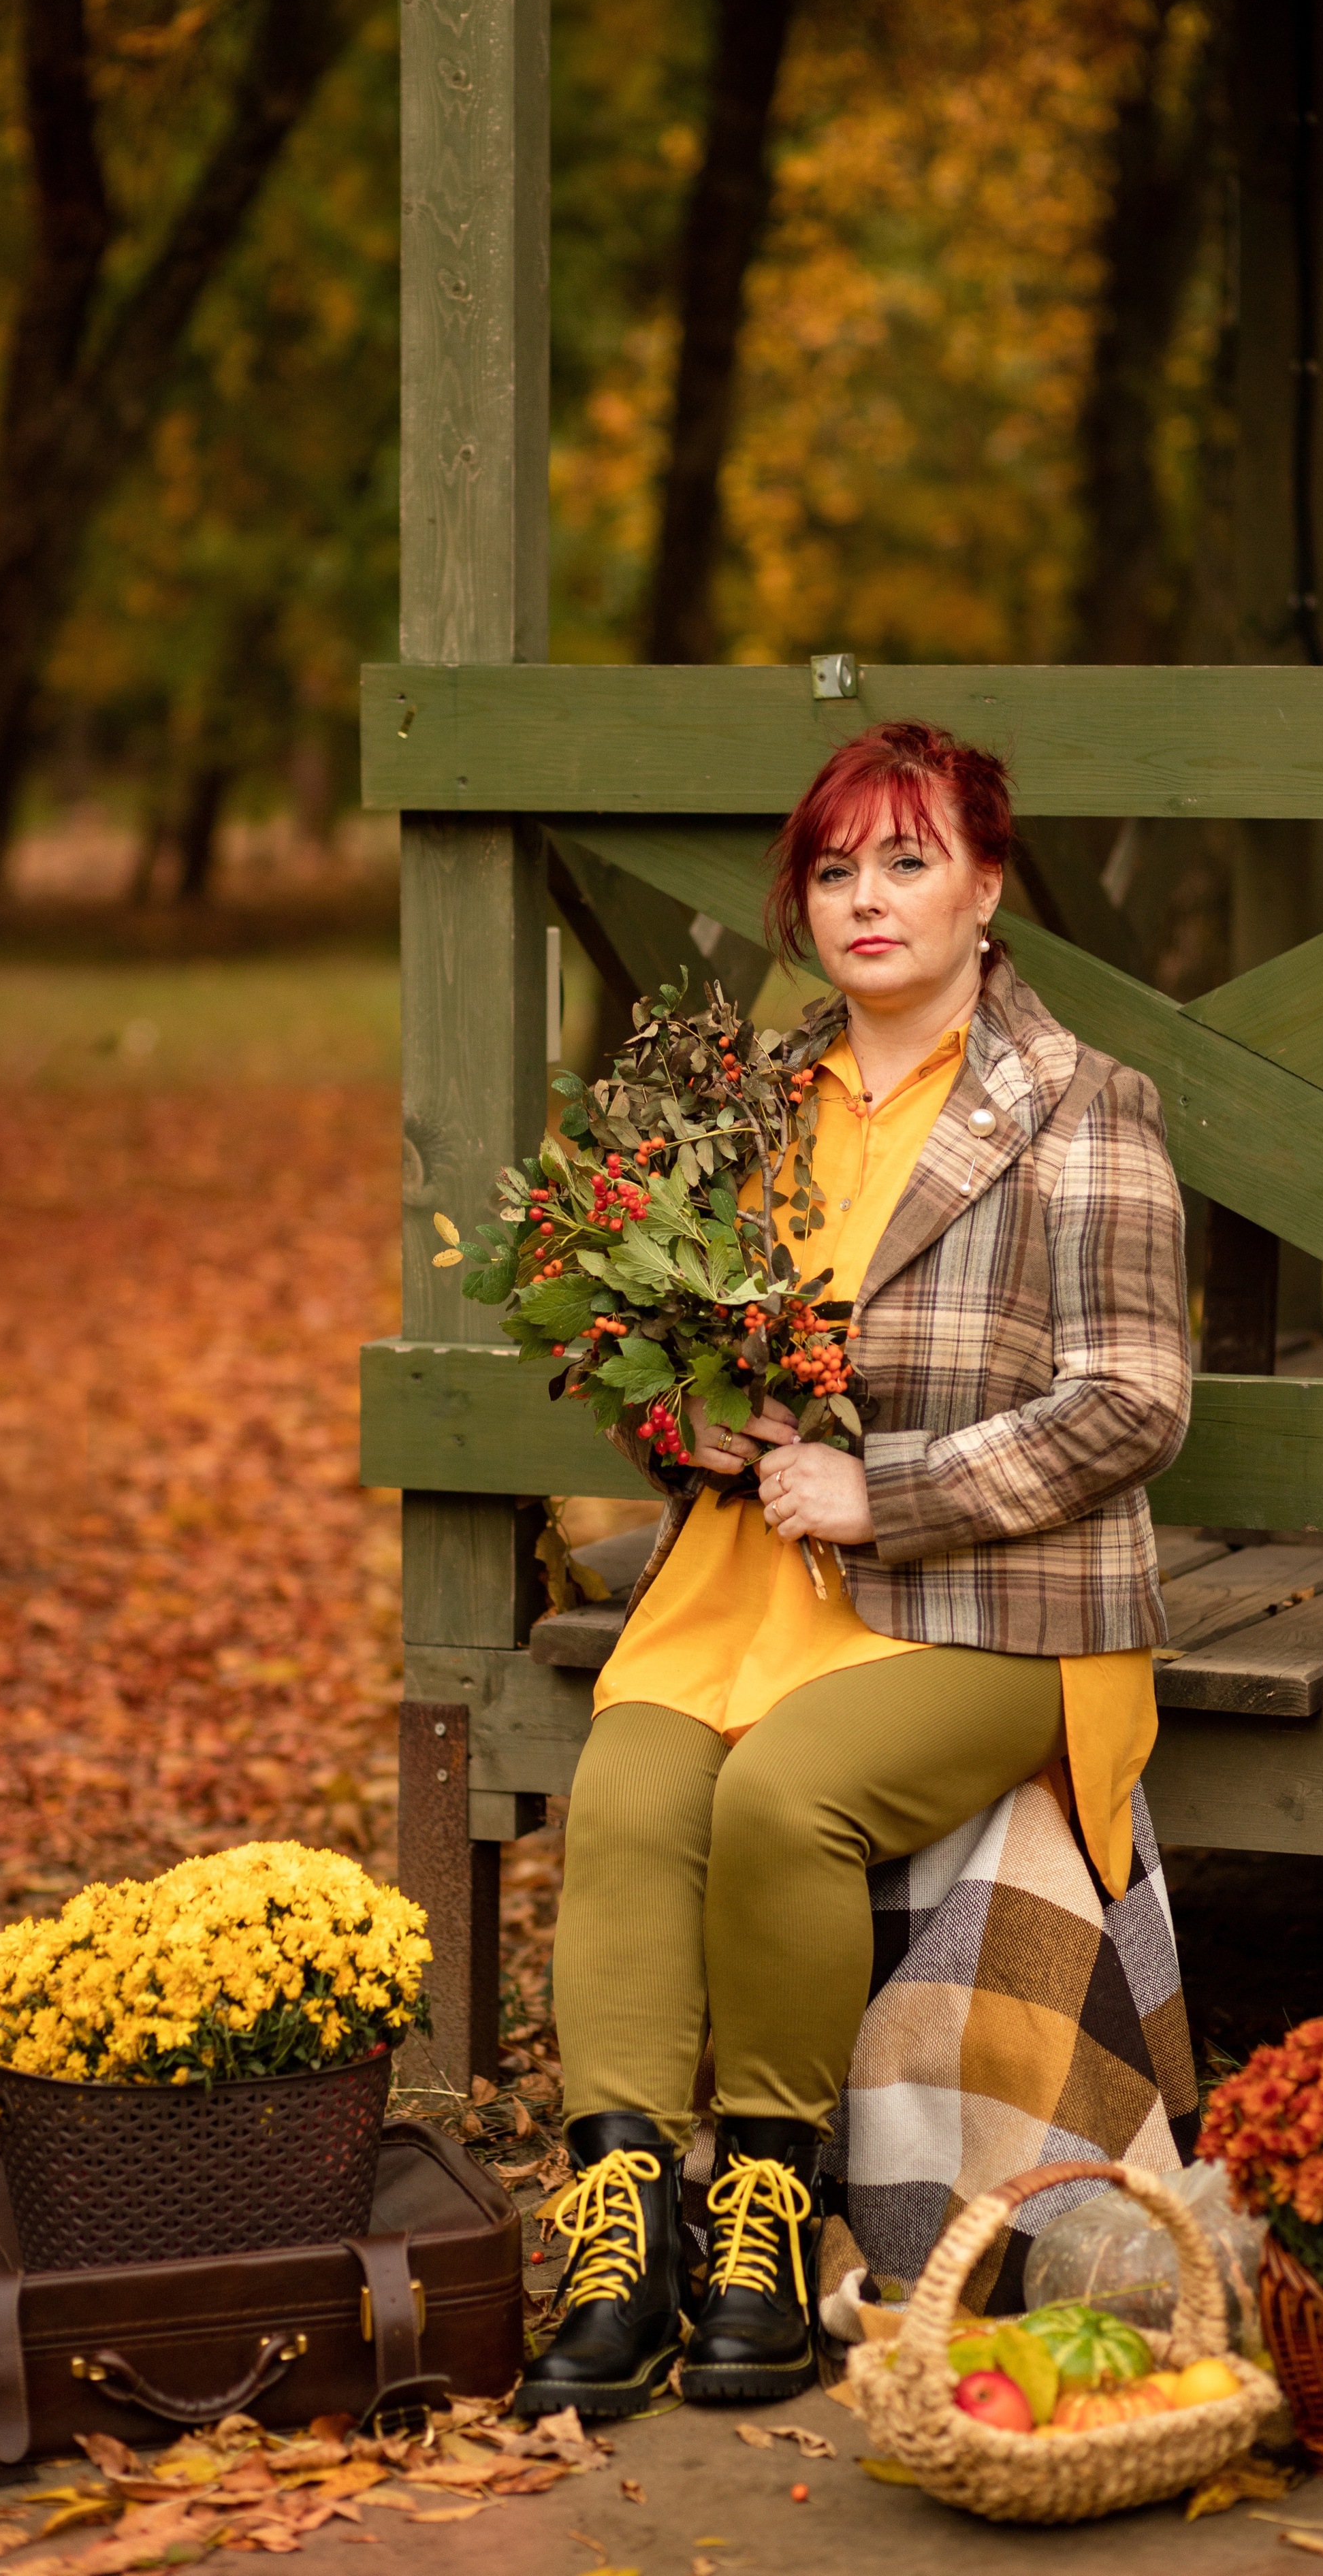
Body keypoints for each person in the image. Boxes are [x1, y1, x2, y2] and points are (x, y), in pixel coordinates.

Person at [515, 719, 1191, 2419]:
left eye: (906, 861)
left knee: (781, 1799)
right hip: (742, 1586)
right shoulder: (746, 1105)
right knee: (629, 1792)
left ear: (985, 887)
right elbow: (671, 1349)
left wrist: (884, 1493)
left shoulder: (1078, 1109)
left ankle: (763, 2207)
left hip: (994, 1601)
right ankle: (622, 2232)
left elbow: (1132, 1401)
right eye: (832, 870)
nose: (865, 898)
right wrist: (681, 1421)